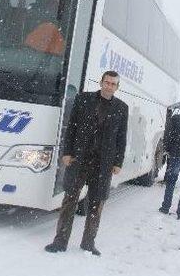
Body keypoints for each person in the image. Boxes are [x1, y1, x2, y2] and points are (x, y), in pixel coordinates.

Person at [44, 71, 128, 256]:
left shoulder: (122, 108)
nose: (109, 86)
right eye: (107, 82)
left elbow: (121, 138)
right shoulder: (83, 99)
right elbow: (72, 126)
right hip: (79, 159)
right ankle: (60, 242)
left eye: (113, 84)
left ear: (117, 87)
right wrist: (66, 152)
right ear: (101, 82)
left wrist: (118, 162)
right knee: (69, 201)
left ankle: (88, 243)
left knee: (96, 204)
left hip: (103, 163)